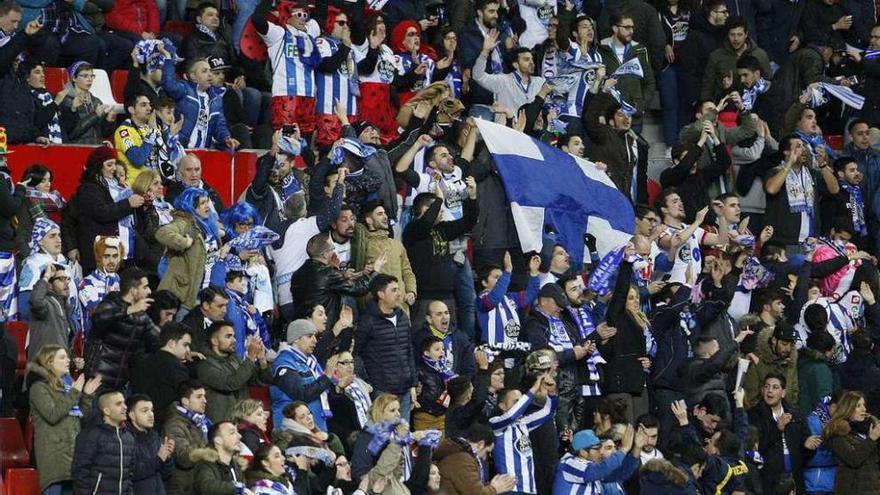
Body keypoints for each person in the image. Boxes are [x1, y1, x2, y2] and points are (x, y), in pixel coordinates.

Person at [28, 345, 101, 495]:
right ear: (49, 362)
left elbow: (81, 419)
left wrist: (86, 396)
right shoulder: (39, 388)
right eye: (62, 357)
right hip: (53, 464)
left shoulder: (67, 387)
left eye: (67, 357)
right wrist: (75, 392)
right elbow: (53, 415)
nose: (68, 360)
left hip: (73, 462)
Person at [85, 267, 161, 391]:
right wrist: (128, 310)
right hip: (97, 381)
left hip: (120, 383)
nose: (149, 291)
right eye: (145, 287)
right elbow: (98, 319)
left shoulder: (142, 315)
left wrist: (182, 350)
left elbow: (158, 340)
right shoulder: (111, 301)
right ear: (133, 290)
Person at [355, 274, 419, 418]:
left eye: (399, 289)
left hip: (405, 390)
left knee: (403, 436)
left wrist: (413, 383)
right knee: (384, 436)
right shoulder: (367, 321)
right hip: (381, 392)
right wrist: (369, 383)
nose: (399, 294)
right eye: (394, 290)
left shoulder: (403, 317)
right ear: (381, 294)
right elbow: (356, 353)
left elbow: (409, 350)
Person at [251, 0, 319, 133]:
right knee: (285, 140)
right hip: (286, 95)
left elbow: (321, 14)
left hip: (309, 96)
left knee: (306, 138)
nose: (303, 19)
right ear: (288, 15)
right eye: (298, 14)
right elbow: (257, 19)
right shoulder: (278, 34)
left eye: (305, 15)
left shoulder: (310, 35)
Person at [291, 233, 382, 331]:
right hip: (324, 327)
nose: (333, 252)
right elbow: (359, 289)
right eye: (331, 249)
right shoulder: (328, 274)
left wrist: (338, 272)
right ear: (324, 255)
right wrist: (375, 272)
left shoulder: (297, 274)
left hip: (303, 328)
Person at [156, 187, 228, 310]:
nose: (207, 206)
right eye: (202, 203)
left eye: (207, 202)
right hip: (186, 294)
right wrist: (184, 242)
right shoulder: (184, 222)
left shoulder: (209, 223)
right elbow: (162, 233)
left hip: (208, 293)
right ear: (191, 205)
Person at [157, 44, 238, 150]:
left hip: (204, 152)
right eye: (204, 71)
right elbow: (169, 84)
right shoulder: (184, 90)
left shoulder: (216, 100)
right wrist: (168, 58)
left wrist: (226, 138)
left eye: (210, 71)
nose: (209, 75)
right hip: (181, 149)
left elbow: (219, 125)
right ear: (192, 76)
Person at [490, 374, 558, 495]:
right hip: (510, 490)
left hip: (530, 489)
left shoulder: (524, 424)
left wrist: (552, 393)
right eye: (517, 401)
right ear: (502, 406)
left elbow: (548, 412)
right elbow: (511, 416)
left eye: (522, 401)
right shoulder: (496, 424)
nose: (522, 405)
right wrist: (533, 389)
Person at [748, 373, 811, 494]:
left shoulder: (796, 415)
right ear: (762, 390)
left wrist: (808, 447)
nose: (769, 391)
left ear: (783, 393)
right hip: (768, 480)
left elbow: (804, 454)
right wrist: (778, 429)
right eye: (766, 387)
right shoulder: (753, 416)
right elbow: (756, 448)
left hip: (794, 478)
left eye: (775, 387)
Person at [270, 319, 339, 429]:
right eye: (309, 336)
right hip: (293, 431)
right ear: (296, 339)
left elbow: (322, 390)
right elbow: (301, 394)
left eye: (315, 336)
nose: (315, 341)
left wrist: (338, 387)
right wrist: (327, 377)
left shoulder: (310, 361)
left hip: (315, 426)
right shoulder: (284, 362)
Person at [197, 321, 270, 423]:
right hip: (222, 425)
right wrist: (251, 357)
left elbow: (257, 382)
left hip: (242, 420)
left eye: (234, 336)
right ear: (214, 341)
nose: (234, 340)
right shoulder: (205, 365)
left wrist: (262, 360)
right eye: (228, 336)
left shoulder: (235, 359)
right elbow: (231, 383)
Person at [71, 390, 136, 495]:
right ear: (106, 411)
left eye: (124, 403)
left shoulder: (129, 438)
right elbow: (80, 471)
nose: (125, 407)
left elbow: (129, 474)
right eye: (118, 404)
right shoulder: (91, 435)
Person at [130, 322, 193, 425]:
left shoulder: (143, 361)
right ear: (171, 343)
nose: (188, 350)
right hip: (167, 423)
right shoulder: (177, 368)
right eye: (185, 345)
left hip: (142, 421)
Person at [553, 426, 644, 495]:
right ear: (583, 452)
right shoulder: (568, 464)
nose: (600, 452)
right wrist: (624, 449)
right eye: (596, 449)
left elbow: (620, 474)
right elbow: (597, 470)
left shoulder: (592, 469)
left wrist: (637, 448)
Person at [472, 32, 546, 114]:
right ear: (516, 65)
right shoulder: (503, 81)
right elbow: (478, 76)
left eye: (532, 59)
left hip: (530, 126)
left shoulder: (540, 82)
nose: (532, 62)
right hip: (506, 125)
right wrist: (485, 52)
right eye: (526, 59)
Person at [434, 423, 517, 495]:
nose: (485, 458)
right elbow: (475, 493)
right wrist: (494, 489)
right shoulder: (463, 460)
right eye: (487, 452)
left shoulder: (459, 453)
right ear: (480, 445)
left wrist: (492, 485)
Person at [823, 390, 880, 494]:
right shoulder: (838, 432)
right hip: (852, 490)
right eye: (858, 406)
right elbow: (853, 459)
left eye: (864, 405)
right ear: (848, 408)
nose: (864, 409)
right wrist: (871, 439)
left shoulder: (868, 430)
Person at [163, 380, 211, 495]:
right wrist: (210, 448)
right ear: (185, 401)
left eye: (204, 396)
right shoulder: (174, 424)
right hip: (185, 488)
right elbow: (183, 458)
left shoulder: (202, 421)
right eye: (199, 397)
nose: (205, 401)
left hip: (200, 483)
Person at [743, 323, 800, 410]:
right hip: (760, 418)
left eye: (791, 345)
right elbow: (750, 399)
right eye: (784, 344)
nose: (788, 349)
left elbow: (794, 393)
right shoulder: (757, 361)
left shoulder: (791, 363)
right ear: (774, 340)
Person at [127, 394, 176, 495]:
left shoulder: (155, 437)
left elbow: (166, 475)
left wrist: (167, 458)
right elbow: (130, 473)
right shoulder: (125, 439)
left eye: (151, 410)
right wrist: (158, 460)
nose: (151, 414)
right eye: (145, 411)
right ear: (132, 415)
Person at [59, 62, 117, 144]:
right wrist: (95, 115)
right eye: (85, 76)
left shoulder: (96, 101)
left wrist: (109, 121)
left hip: (94, 149)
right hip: (77, 150)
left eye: (91, 76)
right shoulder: (67, 100)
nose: (89, 79)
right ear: (74, 78)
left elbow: (104, 133)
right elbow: (71, 134)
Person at [26, 263, 76, 361]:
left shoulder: (66, 307)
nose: (66, 283)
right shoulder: (46, 304)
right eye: (61, 279)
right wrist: (46, 276)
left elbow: (64, 345)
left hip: (58, 371)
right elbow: (36, 301)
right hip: (42, 370)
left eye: (67, 279)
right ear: (49, 285)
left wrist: (73, 361)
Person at [191, 421, 254, 495]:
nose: (240, 436)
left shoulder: (236, 466)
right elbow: (205, 485)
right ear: (218, 440)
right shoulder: (205, 464)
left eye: (237, 432)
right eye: (232, 433)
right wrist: (237, 488)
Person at [78, 236, 123, 335]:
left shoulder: (120, 280)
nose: (111, 261)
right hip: (95, 343)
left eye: (115, 256)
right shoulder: (86, 283)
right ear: (98, 258)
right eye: (106, 256)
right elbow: (99, 313)